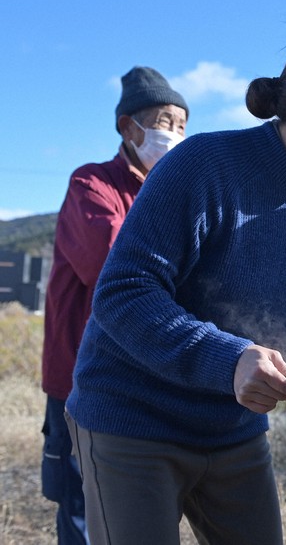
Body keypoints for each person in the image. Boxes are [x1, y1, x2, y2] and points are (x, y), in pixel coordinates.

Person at [64, 17, 286, 545]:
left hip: (234, 429)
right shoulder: (204, 166)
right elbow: (124, 293)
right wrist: (230, 358)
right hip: (131, 419)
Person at [40, 65, 189, 545]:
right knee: (83, 513)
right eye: (166, 121)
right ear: (129, 126)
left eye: (183, 125)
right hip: (81, 380)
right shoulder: (92, 185)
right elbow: (116, 267)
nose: (175, 134)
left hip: (145, 383)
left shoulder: (174, 193)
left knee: (132, 515)